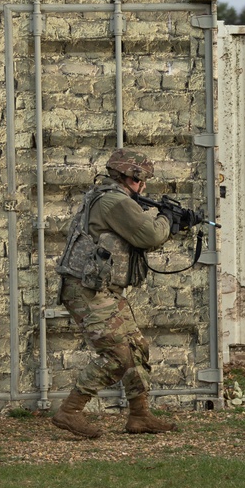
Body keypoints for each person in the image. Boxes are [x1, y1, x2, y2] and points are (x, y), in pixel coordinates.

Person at [52, 148, 179, 438]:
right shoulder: (114, 201)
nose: (143, 186)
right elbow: (150, 236)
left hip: (103, 290)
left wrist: (169, 220)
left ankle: (139, 416)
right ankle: (69, 412)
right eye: (140, 180)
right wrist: (166, 220)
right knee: (116, 356)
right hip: (87, 292)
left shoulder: (113, 197)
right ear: (128, 177)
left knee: (135, 347)